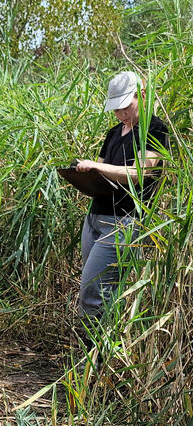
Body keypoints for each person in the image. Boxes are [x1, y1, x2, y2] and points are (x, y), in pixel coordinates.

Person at [75, 71, 168, 356]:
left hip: (124, 222)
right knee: (101, 291)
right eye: (116, 108)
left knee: (92, 294)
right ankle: (102, 356)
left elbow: (142, 172)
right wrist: (81, 173)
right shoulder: (114, 133)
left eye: (125, 106)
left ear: (141, 95)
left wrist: (97, 167)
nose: (120, 113)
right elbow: (100, 171)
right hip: (96, 217)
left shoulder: (154, 128)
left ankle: (97, 359)